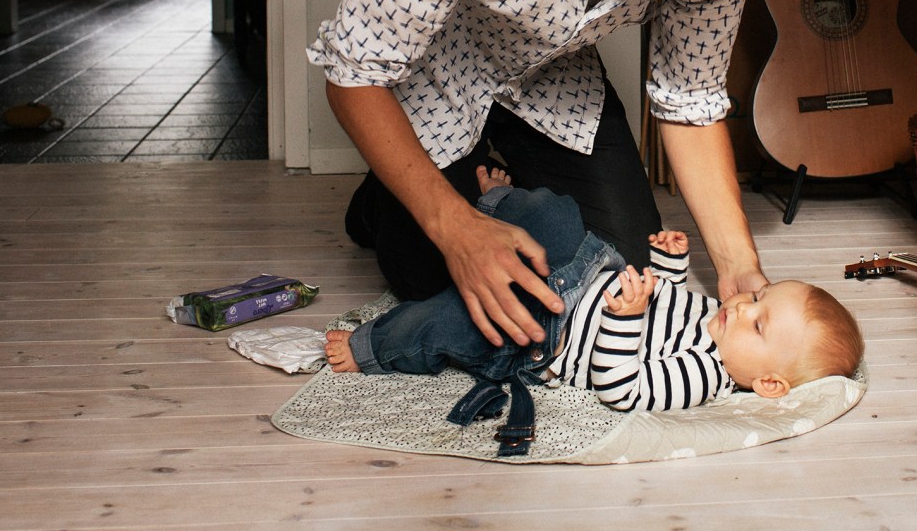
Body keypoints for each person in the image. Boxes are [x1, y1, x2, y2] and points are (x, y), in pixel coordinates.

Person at [307, 0, 792, 351]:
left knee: (618, 278)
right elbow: (354, 74)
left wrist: (739, 267)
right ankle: (381, 200)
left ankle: (482, 184)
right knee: (443, 283)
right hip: (436, 65)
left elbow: (690, 99)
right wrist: (455, 227)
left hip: (551, 77)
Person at [323, 167, 865, 415]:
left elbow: (620, 387)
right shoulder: (722, 320)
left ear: (769, 384)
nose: (743, 306)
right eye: (758, 300)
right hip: (588, 269)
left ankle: (371, 346)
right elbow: (666, 298)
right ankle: (492, 203)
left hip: (547, 330)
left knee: (450, 321)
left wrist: (626, 318)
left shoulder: (704, 375)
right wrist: (669, 263)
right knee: (556, 213)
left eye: (758, 323)